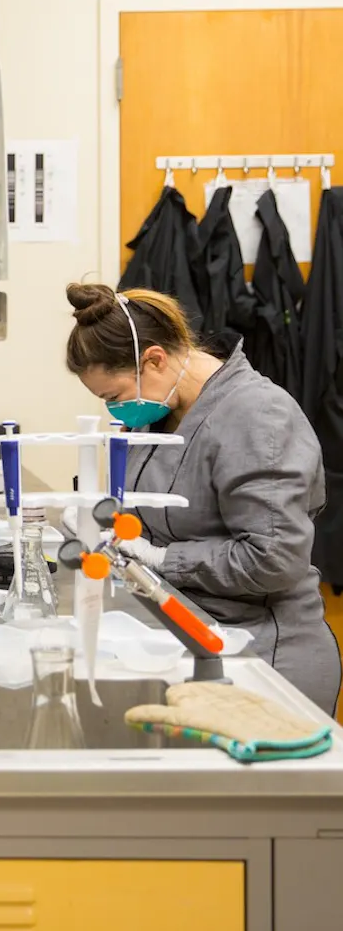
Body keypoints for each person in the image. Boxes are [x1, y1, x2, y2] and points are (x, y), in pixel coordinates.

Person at [65, 281, 341, 714]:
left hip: (263, 657)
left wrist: (161, 559)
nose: (115, 411)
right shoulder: (160, 413)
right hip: (198, 637)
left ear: (154, 359)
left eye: (114, 397)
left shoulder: (258, 416)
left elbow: (273, 559)